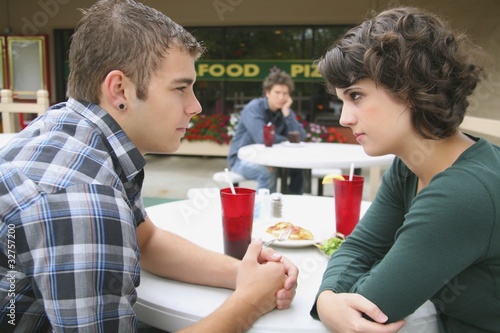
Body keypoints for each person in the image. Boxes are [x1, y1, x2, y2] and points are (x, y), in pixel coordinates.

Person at [0, 0, 298, 332]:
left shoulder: (68, 127)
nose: (195, 106)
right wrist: (250, 302)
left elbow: (148, 240)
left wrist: (240, 273)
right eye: (180, 88)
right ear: (120, 90)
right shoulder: (85, 198)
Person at [310, 6, 500, 333]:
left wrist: (334, 301)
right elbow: (360, 246)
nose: (345, 118)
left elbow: (374, 307)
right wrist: (328, 299)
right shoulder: (409, 166)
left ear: (411, 89)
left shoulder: (463, 192)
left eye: (356, 96)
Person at [228, 69, 307, 194]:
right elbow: (263, 138)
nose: (281, 97)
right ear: (267, 93)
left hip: (272, 159)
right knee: (267, 172)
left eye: (285, 93)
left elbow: (301, 136)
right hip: (242, 160)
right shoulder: (254, 108)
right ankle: (264, 210)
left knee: (298, 168)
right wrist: (288, 139)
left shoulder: (285, 110)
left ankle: (293, 204)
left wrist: (287, 114)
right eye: (277, 92)